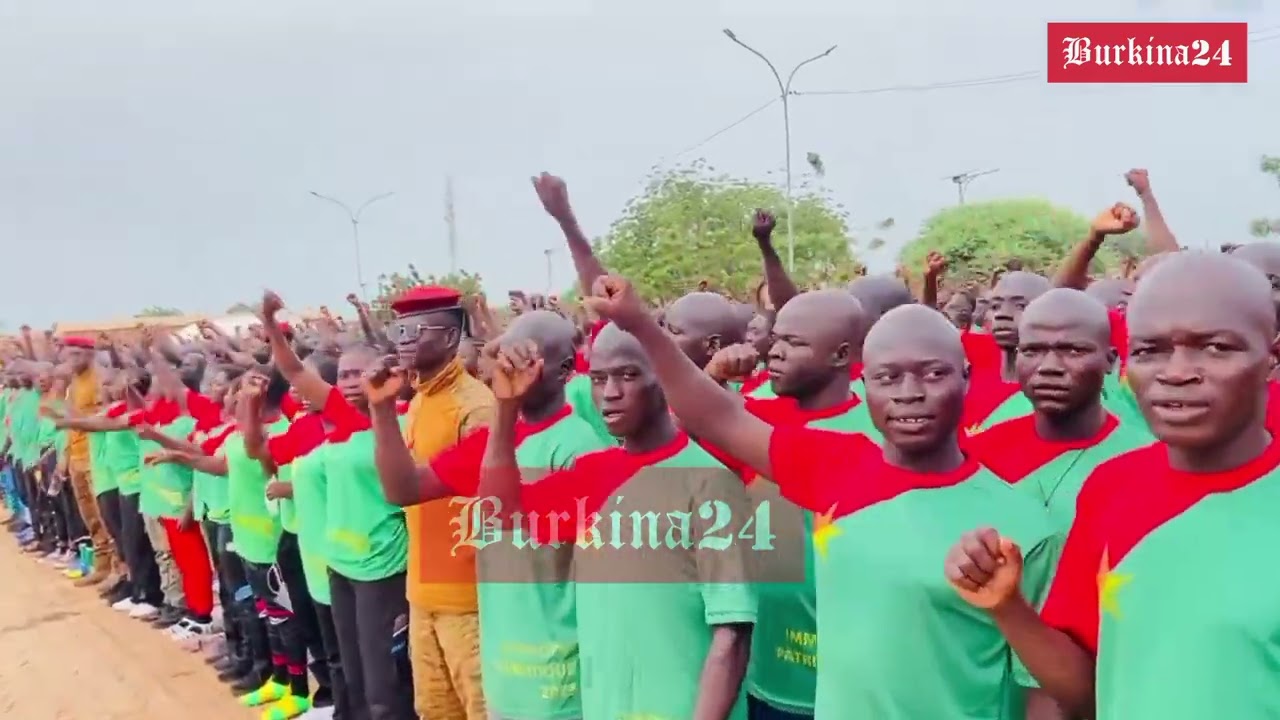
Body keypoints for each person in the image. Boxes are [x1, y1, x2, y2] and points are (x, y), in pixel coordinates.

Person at [589, 273, 1058, 718]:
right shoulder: (837, 467)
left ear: (966, 376)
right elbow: (715, 415)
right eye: (888, 377)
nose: (909, 393)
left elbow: (1046, 693)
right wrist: (638, 322)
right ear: (864, 381)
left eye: (933, 374)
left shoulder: (1023, 522)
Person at [946, 251, 1280, 719]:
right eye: (1149, 351)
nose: (1176, 372)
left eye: (1216, 347)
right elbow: (1087, 693)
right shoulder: (1113, 486)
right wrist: (1008, 606)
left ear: (1271, 358)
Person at [475, 320, 757, 720]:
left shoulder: (709, 482)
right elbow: (501, 516)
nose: (609, 393)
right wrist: (505, 408)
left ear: (663, 376)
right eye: (598, 378)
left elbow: (732, 637)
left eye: (628, 375)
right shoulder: (593, 474)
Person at [371, 309, 611, 720]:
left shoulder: (579, 447)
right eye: (506, 354)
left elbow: (516, 525)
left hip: (559, 679)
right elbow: (403, 489)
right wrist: (381, 409)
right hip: (504, 670)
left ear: (564, 370)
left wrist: (503, 407)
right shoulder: (496, 440)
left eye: (526, 357)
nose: (510, 366)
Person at [965, 289, 1154, 533]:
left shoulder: (1148, 462)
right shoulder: (978, 456)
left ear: (1110, 360)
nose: (1049, 367)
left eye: (1073, 351)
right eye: (1032, 351)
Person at [391, 284, 495, 720]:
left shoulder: (476, 408)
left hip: (468, 600)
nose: (402, 341)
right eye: (397, 331)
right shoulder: (419, 400)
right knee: (434, 709)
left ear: (451, 337)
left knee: (480, 708)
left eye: (413, 331)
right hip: (423, 593)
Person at [62, 335, 119, 585]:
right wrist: (66, 457)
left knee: (104, 515)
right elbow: (69, 424)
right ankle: (101, 564)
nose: (71, 359)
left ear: (90, 354)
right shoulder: (73, 383)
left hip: (96, 456)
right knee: (89, 516)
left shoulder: (100, 380)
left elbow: (102, 418)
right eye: (68, 354)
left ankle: (117, 567)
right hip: (76, 456)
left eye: (76, 354)